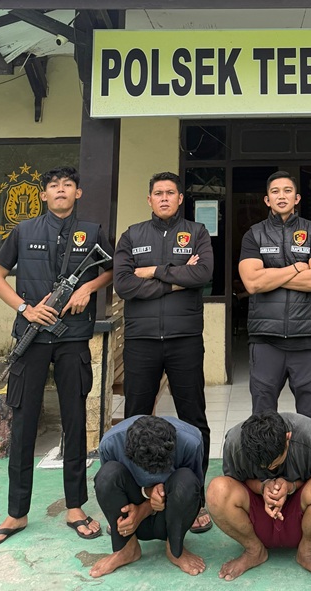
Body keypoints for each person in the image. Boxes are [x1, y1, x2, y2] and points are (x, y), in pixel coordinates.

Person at [0, 166, 113, 549]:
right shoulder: (23, 231)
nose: (61, 190)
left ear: (78, 193)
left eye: (68, 185)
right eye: (54, 186)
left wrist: (87, 288)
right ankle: (16, 512)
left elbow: (113, 269)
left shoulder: (92, 230)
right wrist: (25, 308)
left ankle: (75, 508)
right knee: (24, 424)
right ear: (43, 194)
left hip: (73, 336)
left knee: (75, 421)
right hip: (33, 336)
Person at [113, 171, 214, 534]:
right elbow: (123, 283)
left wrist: (153, 272)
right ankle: (138, 496)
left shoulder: (197, 233)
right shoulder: (131, 235)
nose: (165, 198)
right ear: (149, 199)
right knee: (135, 419)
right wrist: (173, 282)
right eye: (159, 193)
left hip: (185, 338)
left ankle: (195, 499)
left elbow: (203, 274)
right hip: (141, 341)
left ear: (181, 198)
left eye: (171, 192)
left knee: (193, 418)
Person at [238, 171, 311, 422]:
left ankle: (308, 452)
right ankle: (266, 453)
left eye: (288, 191)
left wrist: (270, 277)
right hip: (265, 339)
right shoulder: (254, 234)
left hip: (307, 338)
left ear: (297, 198)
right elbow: (252, 283)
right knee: (263, 418)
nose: (282, 196)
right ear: (267, 200)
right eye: (275, 191)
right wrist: (296, 268)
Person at [206, 411, 311, 584]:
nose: (270, 469)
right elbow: (235, 484)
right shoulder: (235, 441)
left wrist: (290, 486)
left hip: (302, 514)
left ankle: (307, 553)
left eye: (276, 463)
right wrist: (263, 487)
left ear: (288, 438)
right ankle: (254, 550)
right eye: (263, 467)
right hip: (257, 515)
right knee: (217, 490)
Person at [89, 415, 206, 578]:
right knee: (107, 476)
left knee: (186, 481)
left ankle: (174, 549)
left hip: (170, 514)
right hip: (133, 520)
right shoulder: (111, 443)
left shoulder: (191, 442)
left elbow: (192, 491)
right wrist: (147, 496)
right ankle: (127, 549)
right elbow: (111, 491)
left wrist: (145, 508)